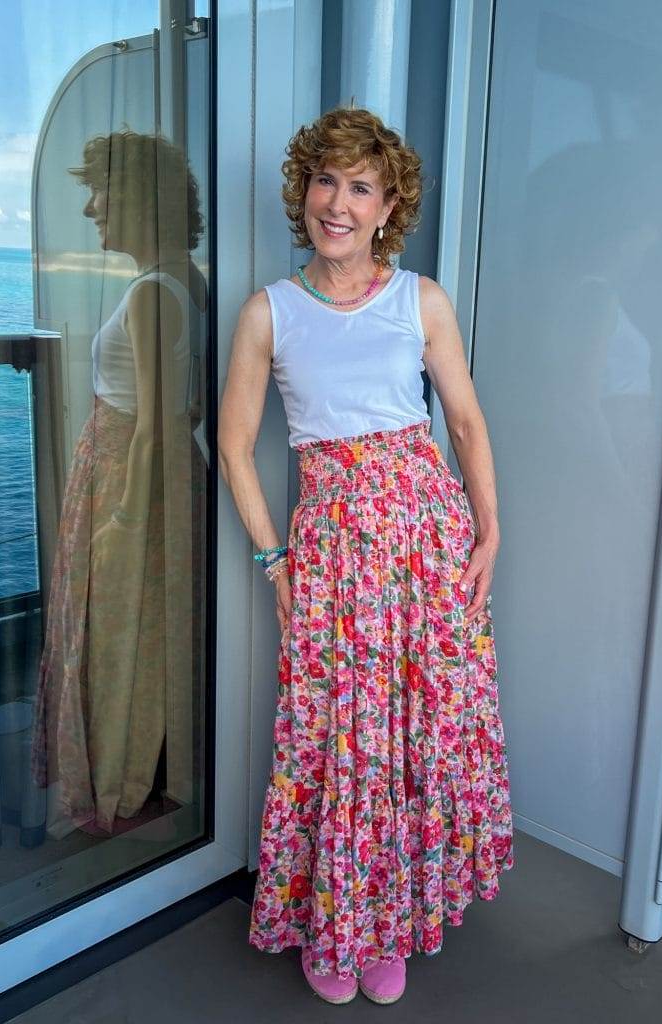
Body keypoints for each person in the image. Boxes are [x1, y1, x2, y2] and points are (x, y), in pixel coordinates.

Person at [218, 106, 514, 1005]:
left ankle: (394, 918)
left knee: (420, 730)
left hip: (428, 543)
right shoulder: (269, 312)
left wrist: (489, 529)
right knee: (340, 739)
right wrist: (276, 562)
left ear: (387, 207)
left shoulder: (418, 299)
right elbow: (234, 447)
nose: (336, 204)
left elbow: (462, 422)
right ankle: (337, 925)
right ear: (302, 191)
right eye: (324, 181)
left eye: (360, 187)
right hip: (335, 555)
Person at [30, 128, 207, 838]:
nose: (92, 210)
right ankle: (147, 775)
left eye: (100, 192)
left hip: (132, 483)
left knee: (112, 630)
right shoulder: (185, 279)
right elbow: (185, 404)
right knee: (146, 632)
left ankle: (124, 786)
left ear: (137, 197)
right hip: (144, 477)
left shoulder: (151, 292)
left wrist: (127, 516)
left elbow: (160, 423)